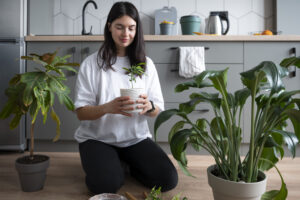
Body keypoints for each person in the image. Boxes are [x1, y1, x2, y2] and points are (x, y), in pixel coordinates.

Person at [74, 1, 178, 194]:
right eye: (119, 27)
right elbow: (81, 113)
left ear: (137, 30)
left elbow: (157, 110)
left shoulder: (146, 64)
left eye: (131, 28)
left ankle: (124, 164)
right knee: (106, 185)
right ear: (109, 27)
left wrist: (149, 106)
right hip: (97, 139)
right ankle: (112, 166)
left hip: (134, 139)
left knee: (168, 179)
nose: (126, 34)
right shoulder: (91, 64)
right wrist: (107, 108)